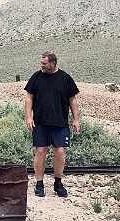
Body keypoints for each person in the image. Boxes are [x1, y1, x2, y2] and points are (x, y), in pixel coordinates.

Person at [24, 52, 80, 197]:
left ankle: (58, 182)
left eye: (44, 63)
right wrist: (28, 117)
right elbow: (29, 97)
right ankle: (39, 184)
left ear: (53, 63)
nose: (41, 65)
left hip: (60, 123)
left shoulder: (65, 78)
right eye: (41, 63)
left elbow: (72, 99)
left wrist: (76, 119)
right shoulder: (36, 77)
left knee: (59, 151)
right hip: (40, 122)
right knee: (40, 151)